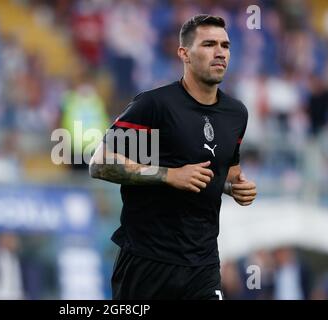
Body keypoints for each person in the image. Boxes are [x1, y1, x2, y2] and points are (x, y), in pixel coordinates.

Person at [89, 14, 257, 300]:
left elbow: (226, 173)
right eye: (208, 44)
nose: (220, 52)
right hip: (146, 263)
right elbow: (100, 163)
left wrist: (235, 187)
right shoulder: (154, 105)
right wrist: (169, 175)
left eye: (225, 45)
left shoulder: (236, 114)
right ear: (184, 54)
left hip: (202, 266)